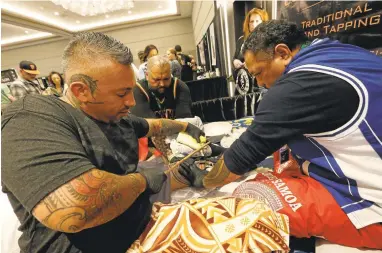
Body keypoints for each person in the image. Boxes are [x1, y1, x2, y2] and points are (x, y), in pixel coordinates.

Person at [179, 20, 382, 248]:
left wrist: (204, 179)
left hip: (374, 205)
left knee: (252, 194)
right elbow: (269, 136)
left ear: (282, 53)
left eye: (259, 72)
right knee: (282, 160)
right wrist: (230, 152)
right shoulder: (334, 50)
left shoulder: (295, 87)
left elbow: (240, 160)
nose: (259, 83)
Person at [1, 32, 205, 253]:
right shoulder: (31, 117)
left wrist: (184, 127)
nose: (131, 101)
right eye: (121, 93)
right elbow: (74, 208)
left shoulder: (114, 117)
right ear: (82, 90)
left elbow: (153, 125)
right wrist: (143, 181)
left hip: (140, 232)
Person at [131, 55, 192, 119]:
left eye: (166, 79)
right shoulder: (137, 89)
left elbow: (185, 120)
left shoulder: (179, 86)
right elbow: (146, 124)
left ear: (170, 74)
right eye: (157, 79)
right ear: (147, 75)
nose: (162, 84)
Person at [232, 8, 269, 94]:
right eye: (251, 21)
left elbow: (269, 62)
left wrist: (251, 64)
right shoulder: (241, 40)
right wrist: (235, 62)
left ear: (263, 22)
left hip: (260, 87)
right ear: (248, 24)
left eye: (257, 21)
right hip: (243, 85)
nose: (254, 24)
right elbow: (235, 57)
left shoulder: (267, 40)